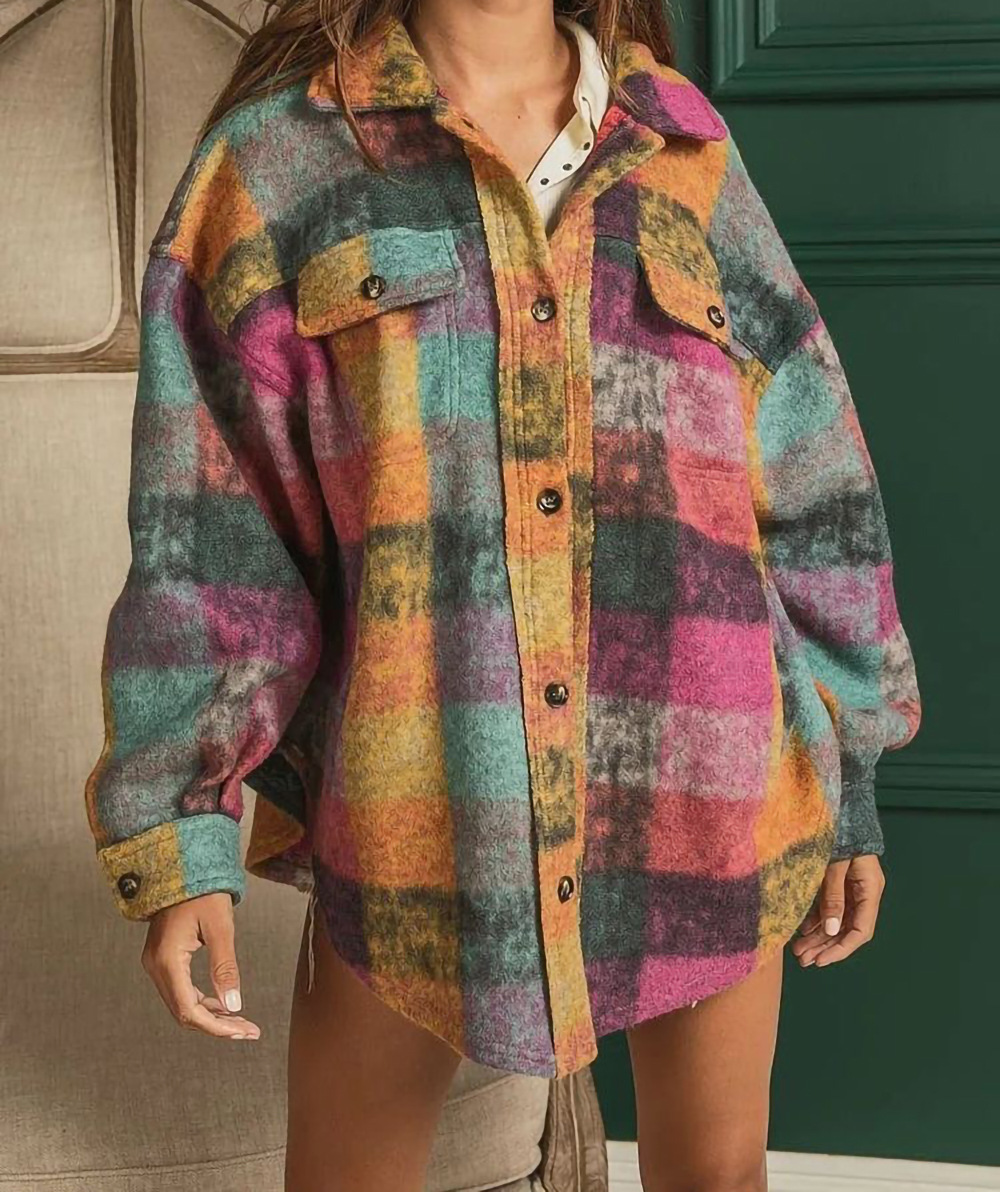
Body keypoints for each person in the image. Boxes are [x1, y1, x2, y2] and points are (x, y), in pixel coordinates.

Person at [83, 0, 923, 1188]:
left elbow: (813, 485)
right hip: (418, 808)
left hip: (712, 791)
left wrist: (849, 779)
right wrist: (180, 828)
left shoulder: (684, 150)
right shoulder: (274, 164)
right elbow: (210, 537)